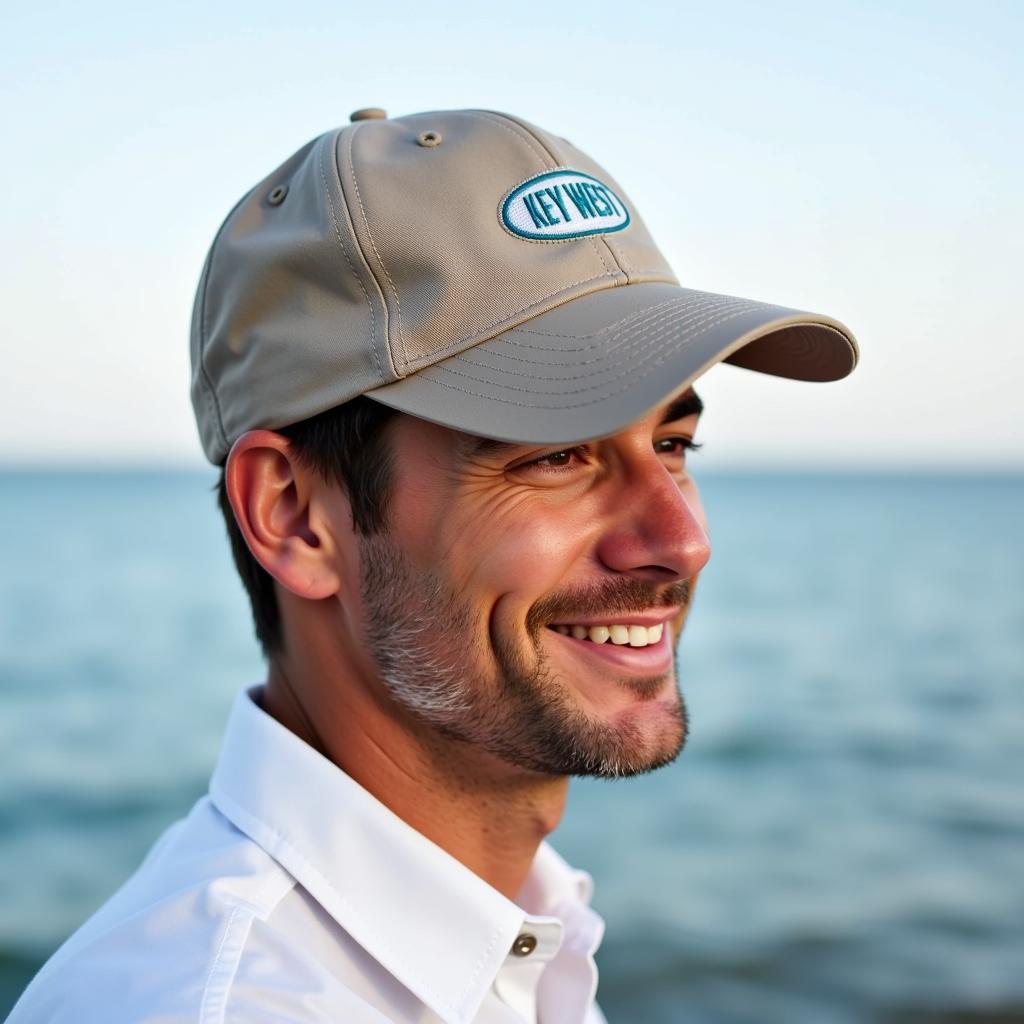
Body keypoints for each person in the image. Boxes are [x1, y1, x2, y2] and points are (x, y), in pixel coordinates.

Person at [9, 107, 858, 1023]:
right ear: (294, 517)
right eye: (556, 455)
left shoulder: (523, 934)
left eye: (675, 442)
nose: (681, 538)